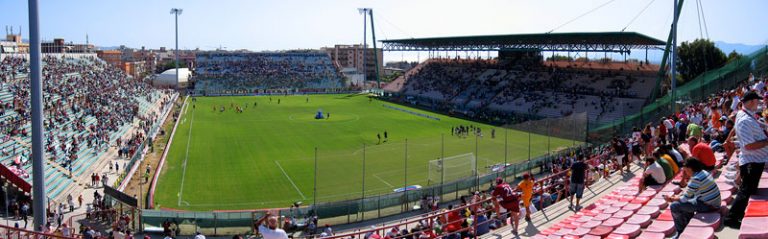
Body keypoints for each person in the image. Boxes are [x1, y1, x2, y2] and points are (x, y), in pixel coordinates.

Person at [725, 91, 768, 228]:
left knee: (750, 189)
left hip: (756, 159)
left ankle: (741, 213)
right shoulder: (744, 120)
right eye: (757, 101)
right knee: (745, 190)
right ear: (750, 102)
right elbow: (749, 145)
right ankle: (731, 219)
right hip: (752, 160)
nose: (759, 104)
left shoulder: (744, 114)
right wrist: (767, 141)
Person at [665, 158, 721, 237]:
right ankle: (687, 221)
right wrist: (679, 196)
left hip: (709, 206)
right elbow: (689, 193)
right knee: (684, 201)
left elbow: (685, 198)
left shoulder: (695, 179)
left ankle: (680, 232)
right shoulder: (703, 172)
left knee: (674, 206)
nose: (685, 173)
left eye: (685, 171)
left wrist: (671, 199)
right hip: (714, 202)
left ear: (690, 168)